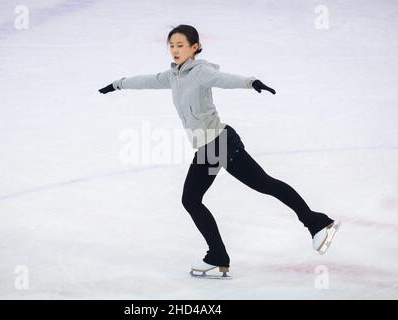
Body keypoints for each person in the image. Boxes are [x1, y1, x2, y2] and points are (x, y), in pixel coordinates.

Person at [99, 24, 340, 278]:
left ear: (195, 47)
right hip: (208, 147)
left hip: (221, 143)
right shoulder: (173, 75)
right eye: (171, 45)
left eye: (180, 45)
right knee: (192, 200)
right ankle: (218, 255)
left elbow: (224, 79)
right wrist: (118, 85)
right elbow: (146, 81)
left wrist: (251, 82)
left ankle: (317, 223)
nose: (175, 50)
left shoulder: (201, 72)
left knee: (262, 184)